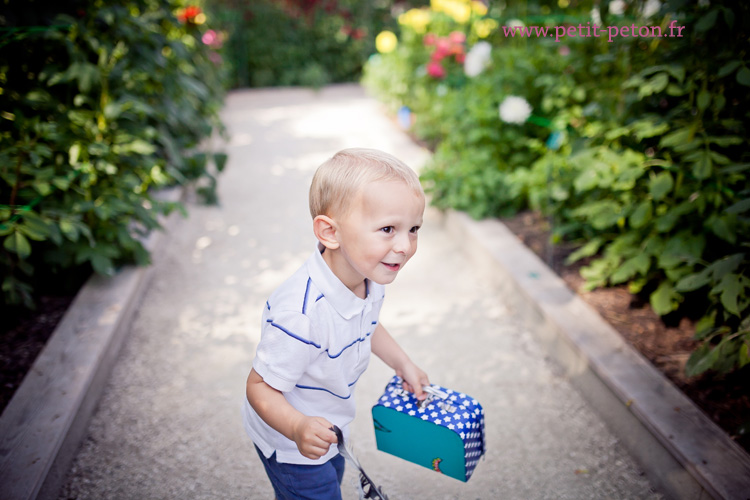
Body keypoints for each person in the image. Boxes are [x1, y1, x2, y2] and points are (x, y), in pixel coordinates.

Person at [243, 148, 430, 500]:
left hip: (327, 425)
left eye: (414, 229)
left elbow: (368, 324)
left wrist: (402, 362)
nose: (405, 245)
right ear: (330, 232)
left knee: (334, 475)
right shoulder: (301, 317)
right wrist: (298, 427)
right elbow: (258, 388)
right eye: (388, 229)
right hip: (290, 441)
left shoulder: (367, 277)